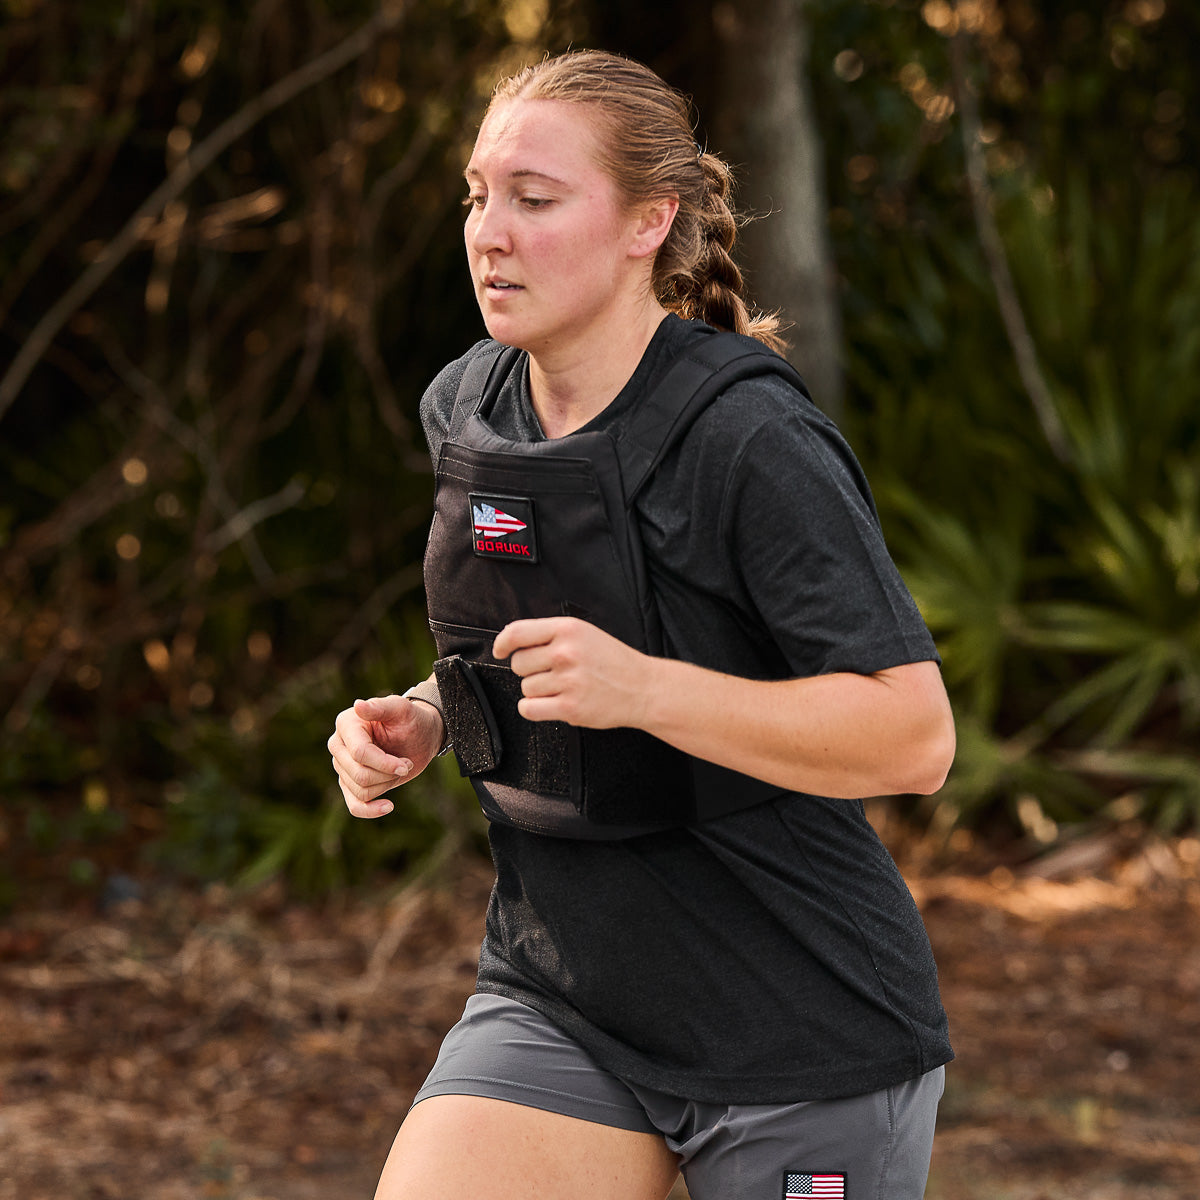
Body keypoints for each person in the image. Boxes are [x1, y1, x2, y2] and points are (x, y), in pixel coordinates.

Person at [328, 49, 956, 1200]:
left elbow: (913, 739)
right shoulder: (470, 407)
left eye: (535, 198)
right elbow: (532, 640)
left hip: (797, 1022)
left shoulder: (749, 441)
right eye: (478, 193)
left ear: (647, 223)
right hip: (568, 997)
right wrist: (425, 712)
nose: (489, 232)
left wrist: (645, 691)